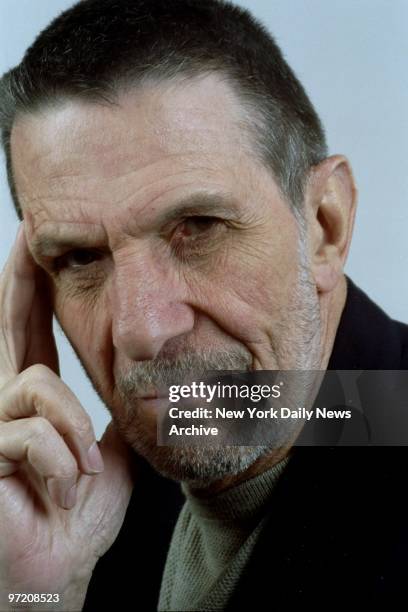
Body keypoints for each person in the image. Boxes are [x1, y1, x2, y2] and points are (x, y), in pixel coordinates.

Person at [0, 0, 407, 610]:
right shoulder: (94, 511)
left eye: (198, 225)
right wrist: (38, 596)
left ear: (325, 225)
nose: (142, 329)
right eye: (80, 258)